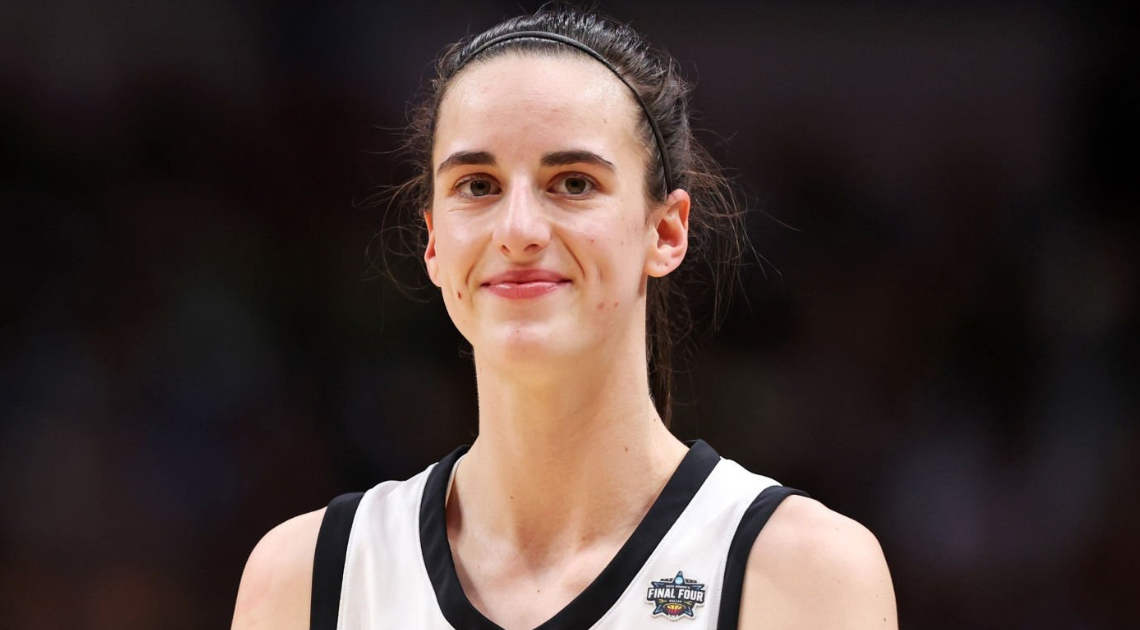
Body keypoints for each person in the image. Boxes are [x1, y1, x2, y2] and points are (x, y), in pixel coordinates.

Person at [232, 7, 896, 630]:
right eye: (478, 185)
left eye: (573, 182)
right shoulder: (307, 578)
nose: (518, 230)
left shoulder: (803, 575)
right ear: (433, 243)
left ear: (665, 231)